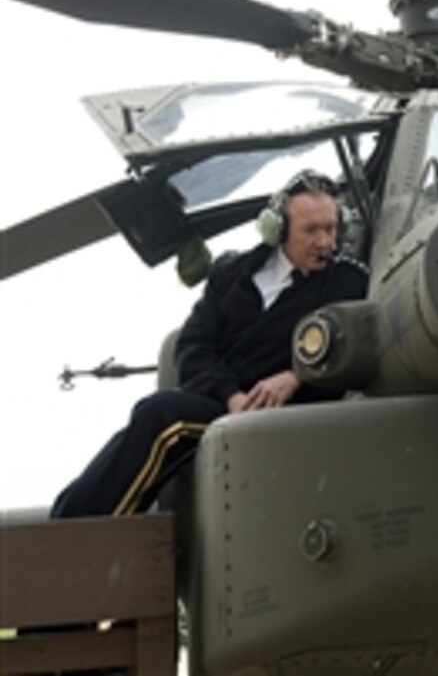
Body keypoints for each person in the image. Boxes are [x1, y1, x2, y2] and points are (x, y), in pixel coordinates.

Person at [51, 170, 368, 518]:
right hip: (225, 406)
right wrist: (230, 396)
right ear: (275, 228)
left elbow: (360, 342)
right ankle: (68, 519)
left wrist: (297, 376)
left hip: (287, 419)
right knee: (149, 416)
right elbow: (192, 346)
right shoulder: (232, 274)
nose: (325, 243)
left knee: (161, 415)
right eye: (311, 230)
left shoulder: (349, 285)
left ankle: (80, 526)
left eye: (330, 229)